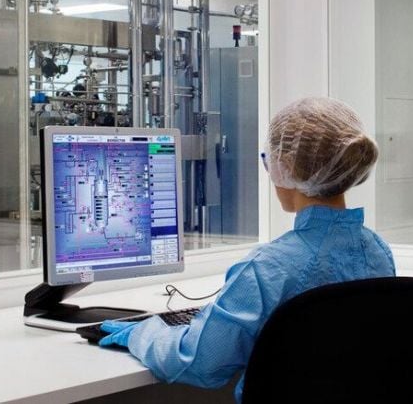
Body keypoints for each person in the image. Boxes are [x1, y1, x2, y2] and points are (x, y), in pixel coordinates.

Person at [96, 97, 395, 401]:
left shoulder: (267, 269)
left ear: (285, 166)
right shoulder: (377, 251)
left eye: (269, 159)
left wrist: (142, 333)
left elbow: (200, 363)